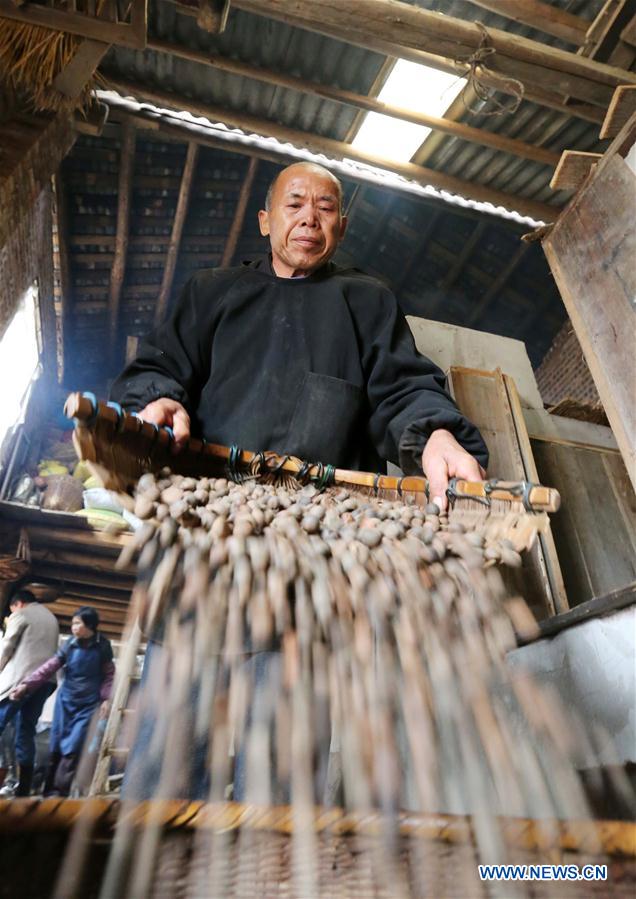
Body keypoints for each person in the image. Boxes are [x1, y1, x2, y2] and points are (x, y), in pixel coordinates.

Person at [110, 161, 488, 507]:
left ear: (341, 228)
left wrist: (435, 435)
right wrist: (159, 398)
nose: (310, 218)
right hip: (210, 502)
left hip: (332, 517)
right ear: (265, 221)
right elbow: (160, 366)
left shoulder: (369, 300)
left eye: (325, 208)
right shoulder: (210, 291)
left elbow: (402, 386)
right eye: (294, 205)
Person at [10, 606, 115, 796]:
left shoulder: (102, 646)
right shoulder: (69, 644)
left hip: (88, 705)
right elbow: (49, 668)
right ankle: (47, 791)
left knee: (73, 748)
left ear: (89, 625)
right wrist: (27, 685)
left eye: (78, 623)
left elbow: (109, 675)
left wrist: (106, 699)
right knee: (56, 745)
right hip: (65, 702)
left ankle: (59, 792)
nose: (74, 627)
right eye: (73, 623)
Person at [0, 589, 59, 797]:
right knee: (26, 731)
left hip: (19, 681)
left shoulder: (21, 615)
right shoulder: (51, 618)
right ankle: (23, 791)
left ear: (18, 604)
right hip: (44, 683)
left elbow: (7, 646)